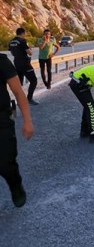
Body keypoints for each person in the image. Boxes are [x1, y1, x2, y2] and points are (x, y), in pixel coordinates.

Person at [0, 53, 34, 208]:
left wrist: (27, 121)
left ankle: (16, 185)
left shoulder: (2, 61)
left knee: (6, 163)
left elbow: (18, 92)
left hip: (2, 121)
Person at [8, 27, 39, 105]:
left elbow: (12, 53)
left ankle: (19, 100)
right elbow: (30, 53)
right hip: (25, 64)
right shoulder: (22, 41)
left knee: (19, 83)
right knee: (34, 81)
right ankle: (29, 99)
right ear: (23, 33)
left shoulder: (11, 42)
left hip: (16, 63)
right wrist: (31, 49)